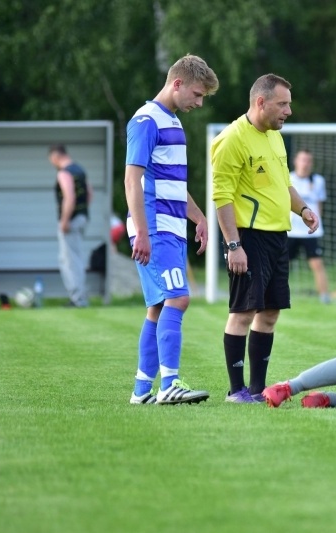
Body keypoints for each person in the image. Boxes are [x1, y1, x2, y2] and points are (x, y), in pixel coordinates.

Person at [211, 73, 319, 404]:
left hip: (276, 237)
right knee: (244, 311)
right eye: (282, 104)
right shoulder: (232, 139)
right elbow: (222, 195)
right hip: (248, 238)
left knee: (270, 312)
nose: (288, 111)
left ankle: (257, 389)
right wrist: (233, 245)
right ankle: (236, 390)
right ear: (261, 102)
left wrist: (302, 210)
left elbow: (283, 184)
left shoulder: (274, 137)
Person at [125, 54, 219, 405]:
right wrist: (144, 232)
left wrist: (199, 218)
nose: (198, 102)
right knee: (179, 298)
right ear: (176, 83)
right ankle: (170, 385)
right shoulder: (146, 120)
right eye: (196, 94)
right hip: (156, 229)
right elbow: (131, 181)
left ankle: (141, 391)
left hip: (171, 228)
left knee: (157, 307)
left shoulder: (173, 122)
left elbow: (173, 183)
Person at [48, 144, 92, 308]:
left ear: (55, 156)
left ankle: (77, 299)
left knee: (70, 261)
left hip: (71, 221)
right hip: (82, 217)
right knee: (76, 258)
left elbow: (69, 197)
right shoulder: (80, 171)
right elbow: (89, 193)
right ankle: (79, 297)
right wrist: (83, 212)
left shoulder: (64, 173)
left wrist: (65, 221)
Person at [287, 149, 330, 303]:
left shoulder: (318, 181)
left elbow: (319, 204)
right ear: (296, 161)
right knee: (282, 265)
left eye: (308, 160)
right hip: (290, 231)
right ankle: (274, 294)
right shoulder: (288, 178)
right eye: (302, 160)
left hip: (310, 232)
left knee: (317, 264)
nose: (305, 163)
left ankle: (325, 297)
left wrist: (316, 222)